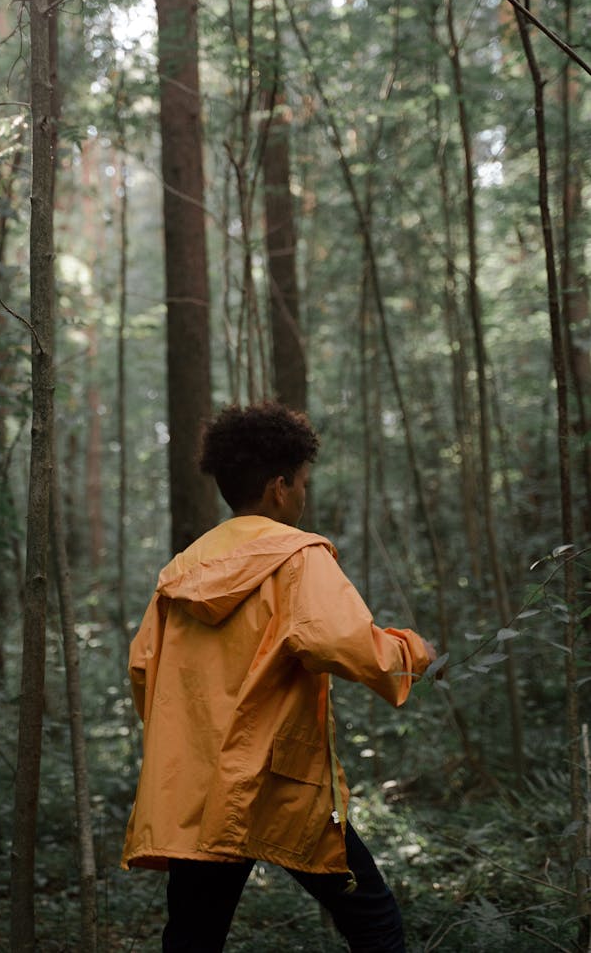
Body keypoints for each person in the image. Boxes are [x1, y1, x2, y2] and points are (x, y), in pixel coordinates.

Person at [122, 401, 436, 952]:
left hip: (197, 788)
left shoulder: (179, 573)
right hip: (274, 783)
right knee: (374, 919)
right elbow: (344, 641)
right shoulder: (297, 556)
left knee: (193, 937)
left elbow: (143, 671)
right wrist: (412, 651)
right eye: (304, 482)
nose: (305, 494)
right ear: (279, 487)